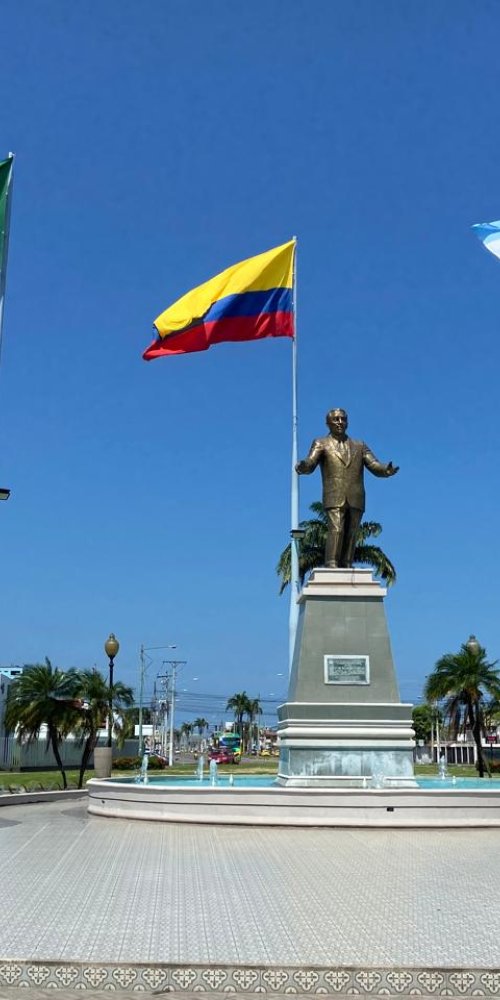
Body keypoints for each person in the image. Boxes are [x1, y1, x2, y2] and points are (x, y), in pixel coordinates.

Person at [295, 408, 398, 569]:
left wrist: (386, 470)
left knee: (352, 531)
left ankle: (347, 562)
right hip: (334, 494)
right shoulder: (321, 443)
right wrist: (303, 466)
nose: (340, 422)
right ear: (328, 423)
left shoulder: (359, 445)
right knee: (337, 529)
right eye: (336, 419)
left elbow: (373, 464)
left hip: (356, 495)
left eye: (343, 419)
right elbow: (311, 462)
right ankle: (332, 563)